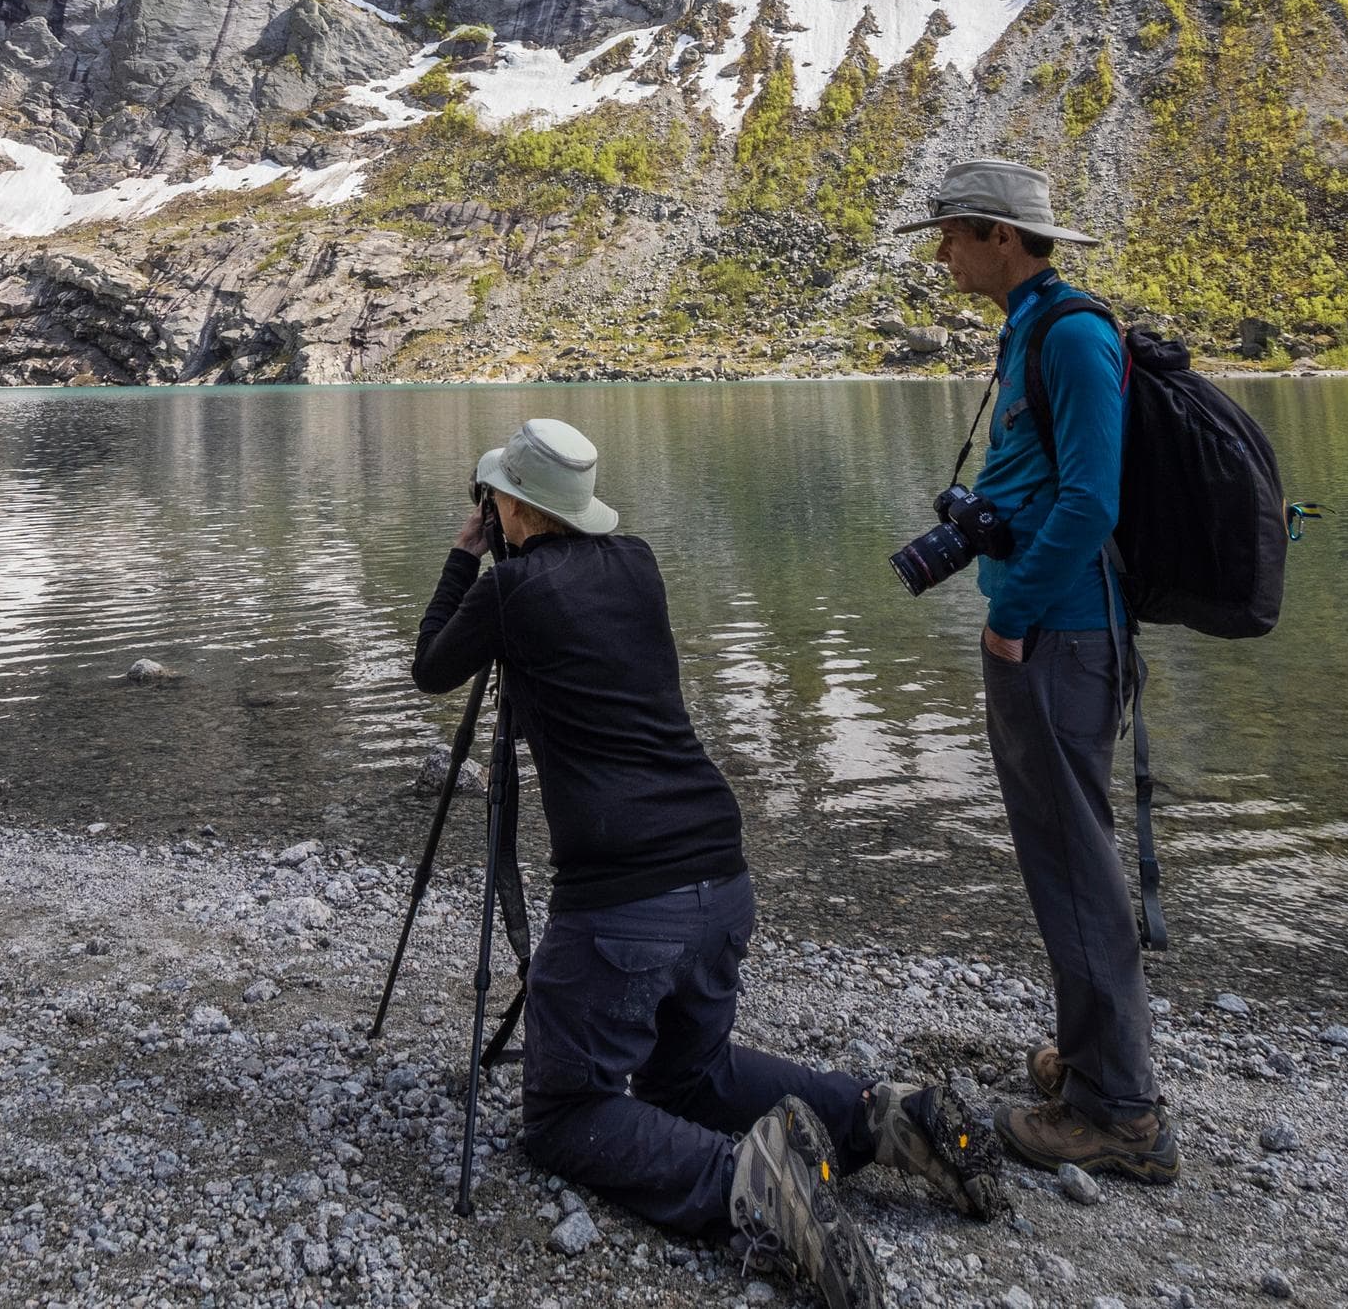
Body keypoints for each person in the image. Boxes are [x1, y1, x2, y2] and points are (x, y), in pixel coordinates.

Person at [410, 416, 1004, 1309]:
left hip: (623, 904)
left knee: (565, 1115)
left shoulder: (509, 594)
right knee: (687, 1074)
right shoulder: (638, 562)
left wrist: (465, 557)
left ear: (516, 511)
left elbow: (430, 667)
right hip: (720, 877)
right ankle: (883, 1115)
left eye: (494, 497)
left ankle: (752, 1187)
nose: (487, 507)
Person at [895, 157, 1180, 1184]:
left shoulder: (1070, 335)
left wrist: (1010, 616)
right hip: (1047, 629)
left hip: (1057, 635)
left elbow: (1091, 501)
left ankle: (1121, 1115)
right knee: (1064, 850)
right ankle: (1095, 1064)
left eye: (954, 236)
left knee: (1072, 859)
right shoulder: (1033, 327)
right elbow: (1041, 485)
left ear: (1002, 239)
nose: (942, 254)